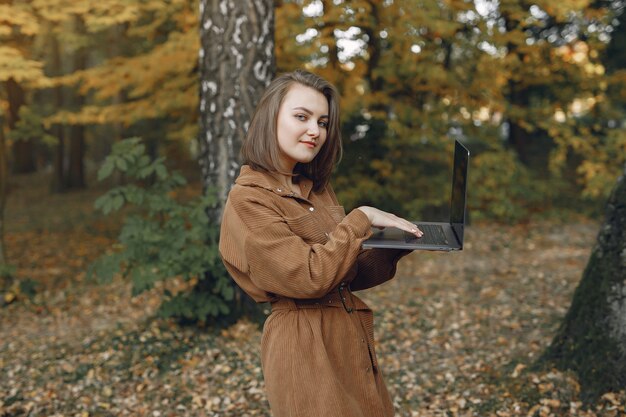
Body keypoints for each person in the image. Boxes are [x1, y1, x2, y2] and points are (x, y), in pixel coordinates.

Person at [219, 69, 422, 417]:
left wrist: (397, 243)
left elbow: (346, 274)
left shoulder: (316, 189)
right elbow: (308, 277)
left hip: (348, 337)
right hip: (304, 344)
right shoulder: (248, 199)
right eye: (302, 117)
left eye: (323, 122)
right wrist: (361, 218)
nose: (316, 131)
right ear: (271, 119)